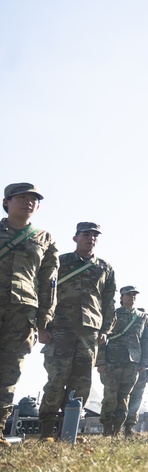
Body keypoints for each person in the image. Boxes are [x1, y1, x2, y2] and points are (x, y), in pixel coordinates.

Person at [37, 221, 115, 441]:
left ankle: (67, 431)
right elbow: (45, 292)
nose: (90, 238)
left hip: (89, 332)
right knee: (56, 379)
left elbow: (109, 302)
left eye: (94, 235)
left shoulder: (104, 268)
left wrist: (105, 330)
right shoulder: (60, 263)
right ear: (75, 238)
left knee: (81, 383)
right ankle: (46, 431)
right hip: (60, 328)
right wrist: (42, 327)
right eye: (86, 234)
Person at [0, 183, 58, 447]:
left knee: (9, 372)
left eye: (33, 199)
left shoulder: (44, 238)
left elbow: (49, 282)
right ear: (7, 202)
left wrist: (44, 320)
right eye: (21, 197)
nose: (28, 202)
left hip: (21, 313)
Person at [97, 286, 148, 436]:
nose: (131, 297)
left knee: (124, 397)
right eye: (128, 295)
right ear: (121, 297)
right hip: (112, 361)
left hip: (132, 362)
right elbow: (102, 338)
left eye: (134, 295)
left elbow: (145, 341)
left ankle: (117, 430)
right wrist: (100, 362)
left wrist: (144, 363)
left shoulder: (142, 317)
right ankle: (107, 430)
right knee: (110, 396)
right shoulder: (112, 314)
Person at [125, 328, 148, 435]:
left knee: (136, 398)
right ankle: (119, 426)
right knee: (125, 396)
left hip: (141, 370)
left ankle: (129, 427)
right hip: (126, 367)